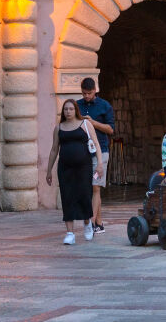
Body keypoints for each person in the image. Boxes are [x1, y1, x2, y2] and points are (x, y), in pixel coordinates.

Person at [45, 99, 105, 245]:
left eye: (71, 109)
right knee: (67, 197)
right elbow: (54, 150)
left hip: (84, 167)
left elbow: (96, 143)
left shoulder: (85, 124)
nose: (68, 112)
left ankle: (87, 224)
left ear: (76, 110)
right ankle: (70, 233)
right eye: (66, 109)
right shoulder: (59, 128)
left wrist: (100, 164)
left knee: (85, 195)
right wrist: (49, 171)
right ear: (63, 112)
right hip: (65, 168)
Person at [76, 77, 114, 234]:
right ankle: (99, 223)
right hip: (83, 151)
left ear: (95, 91)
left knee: (95, 186)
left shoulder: (105, 106)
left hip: (101, 151)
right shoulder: (77, 105)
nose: (86, 96)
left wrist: (93, 122)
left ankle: (91, 223)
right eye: (84, 93)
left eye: (89, 93)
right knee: (90, 188)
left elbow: (111, 129)